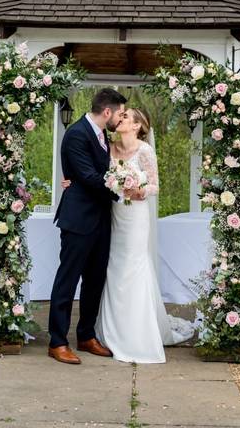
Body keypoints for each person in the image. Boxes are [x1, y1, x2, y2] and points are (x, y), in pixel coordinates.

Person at [94, 108, 195, 363]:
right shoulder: (110, 148)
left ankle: (138, 335)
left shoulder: (145, 151)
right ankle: (111, 331)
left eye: (126, 117)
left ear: (138, 126)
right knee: (114, 267)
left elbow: (154, 184)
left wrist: (137, 189)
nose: (121, 119)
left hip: (136, 216)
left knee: (133, 266)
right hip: (114, 215)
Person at [47, 88, 138, 365]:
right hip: (78, 219)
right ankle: (57, 342)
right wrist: (121, 187)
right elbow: (87, 176)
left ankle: (86, 335)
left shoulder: (102, 137)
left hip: (101, 220)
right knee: (68, 279)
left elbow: (99, 172)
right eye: (120, 113)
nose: (120, 118)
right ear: (107, 112)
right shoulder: (76, 134)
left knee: (95, 280)